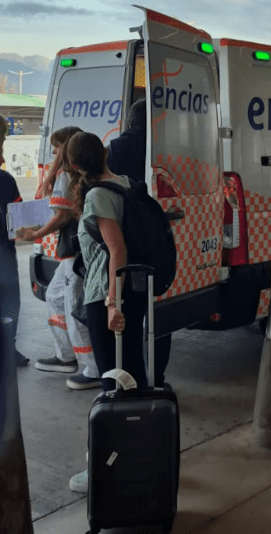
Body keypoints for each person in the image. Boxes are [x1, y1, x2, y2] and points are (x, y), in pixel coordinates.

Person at [66, 130, 150, 493]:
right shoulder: (125, 183)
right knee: (133, 377)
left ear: (73, 165)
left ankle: (107, 467)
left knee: (112, 384)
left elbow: (117, 251)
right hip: (131, 290)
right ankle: (145, 458)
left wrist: (112, 304)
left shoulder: (98, 195)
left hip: (107, 295)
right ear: (103, 153)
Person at [18, 127, 101, 390]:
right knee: (55, 297)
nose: (53, 151)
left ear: (66, 147)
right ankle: (66, 355)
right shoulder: (85, 173)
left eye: (56, 145)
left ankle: (92, 368)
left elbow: (61, 215)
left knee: (74, 308)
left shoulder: (65, 175)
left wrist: (34, 233)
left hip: (73, 253)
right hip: (77, 251)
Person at [107, 98, 172, 388]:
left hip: (126, 237)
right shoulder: (165, 147)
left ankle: (132, 380)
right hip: (156, 238)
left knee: (132, 314)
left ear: (131, 120)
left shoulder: (116, 148)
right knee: (159, 311)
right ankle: (157, 379)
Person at [0, 113, 29, 367]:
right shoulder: (5, 180)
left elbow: (19, 221)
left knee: (10, 303)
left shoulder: (6, 180)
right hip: (5, 256)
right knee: (9, 302)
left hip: (5, 254)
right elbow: (20, 224)